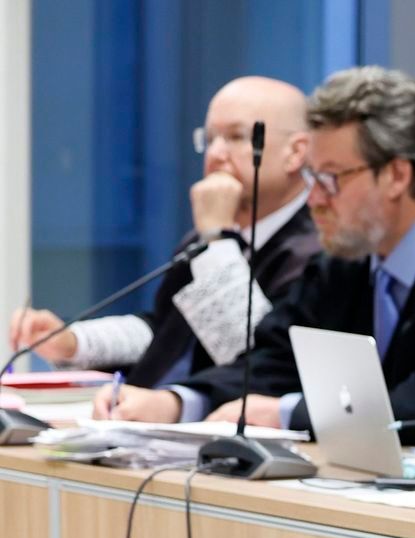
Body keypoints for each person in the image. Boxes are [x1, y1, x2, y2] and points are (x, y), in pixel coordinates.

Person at [100, 66, 415, 432]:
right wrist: (179, 401)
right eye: (313, 178)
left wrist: (286, 414)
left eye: (331, 179)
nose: (316, 199)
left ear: (397, 175)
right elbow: (276, 358)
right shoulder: (350, 257)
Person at [9, 77, 320, 387]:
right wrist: (74, 342)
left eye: (237, 137)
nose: (215, 154)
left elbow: (251, 360)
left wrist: (215, 239)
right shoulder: (205, 239)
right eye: (209, 139)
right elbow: (166, 333)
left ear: (295, 152)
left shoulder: (316, 250)